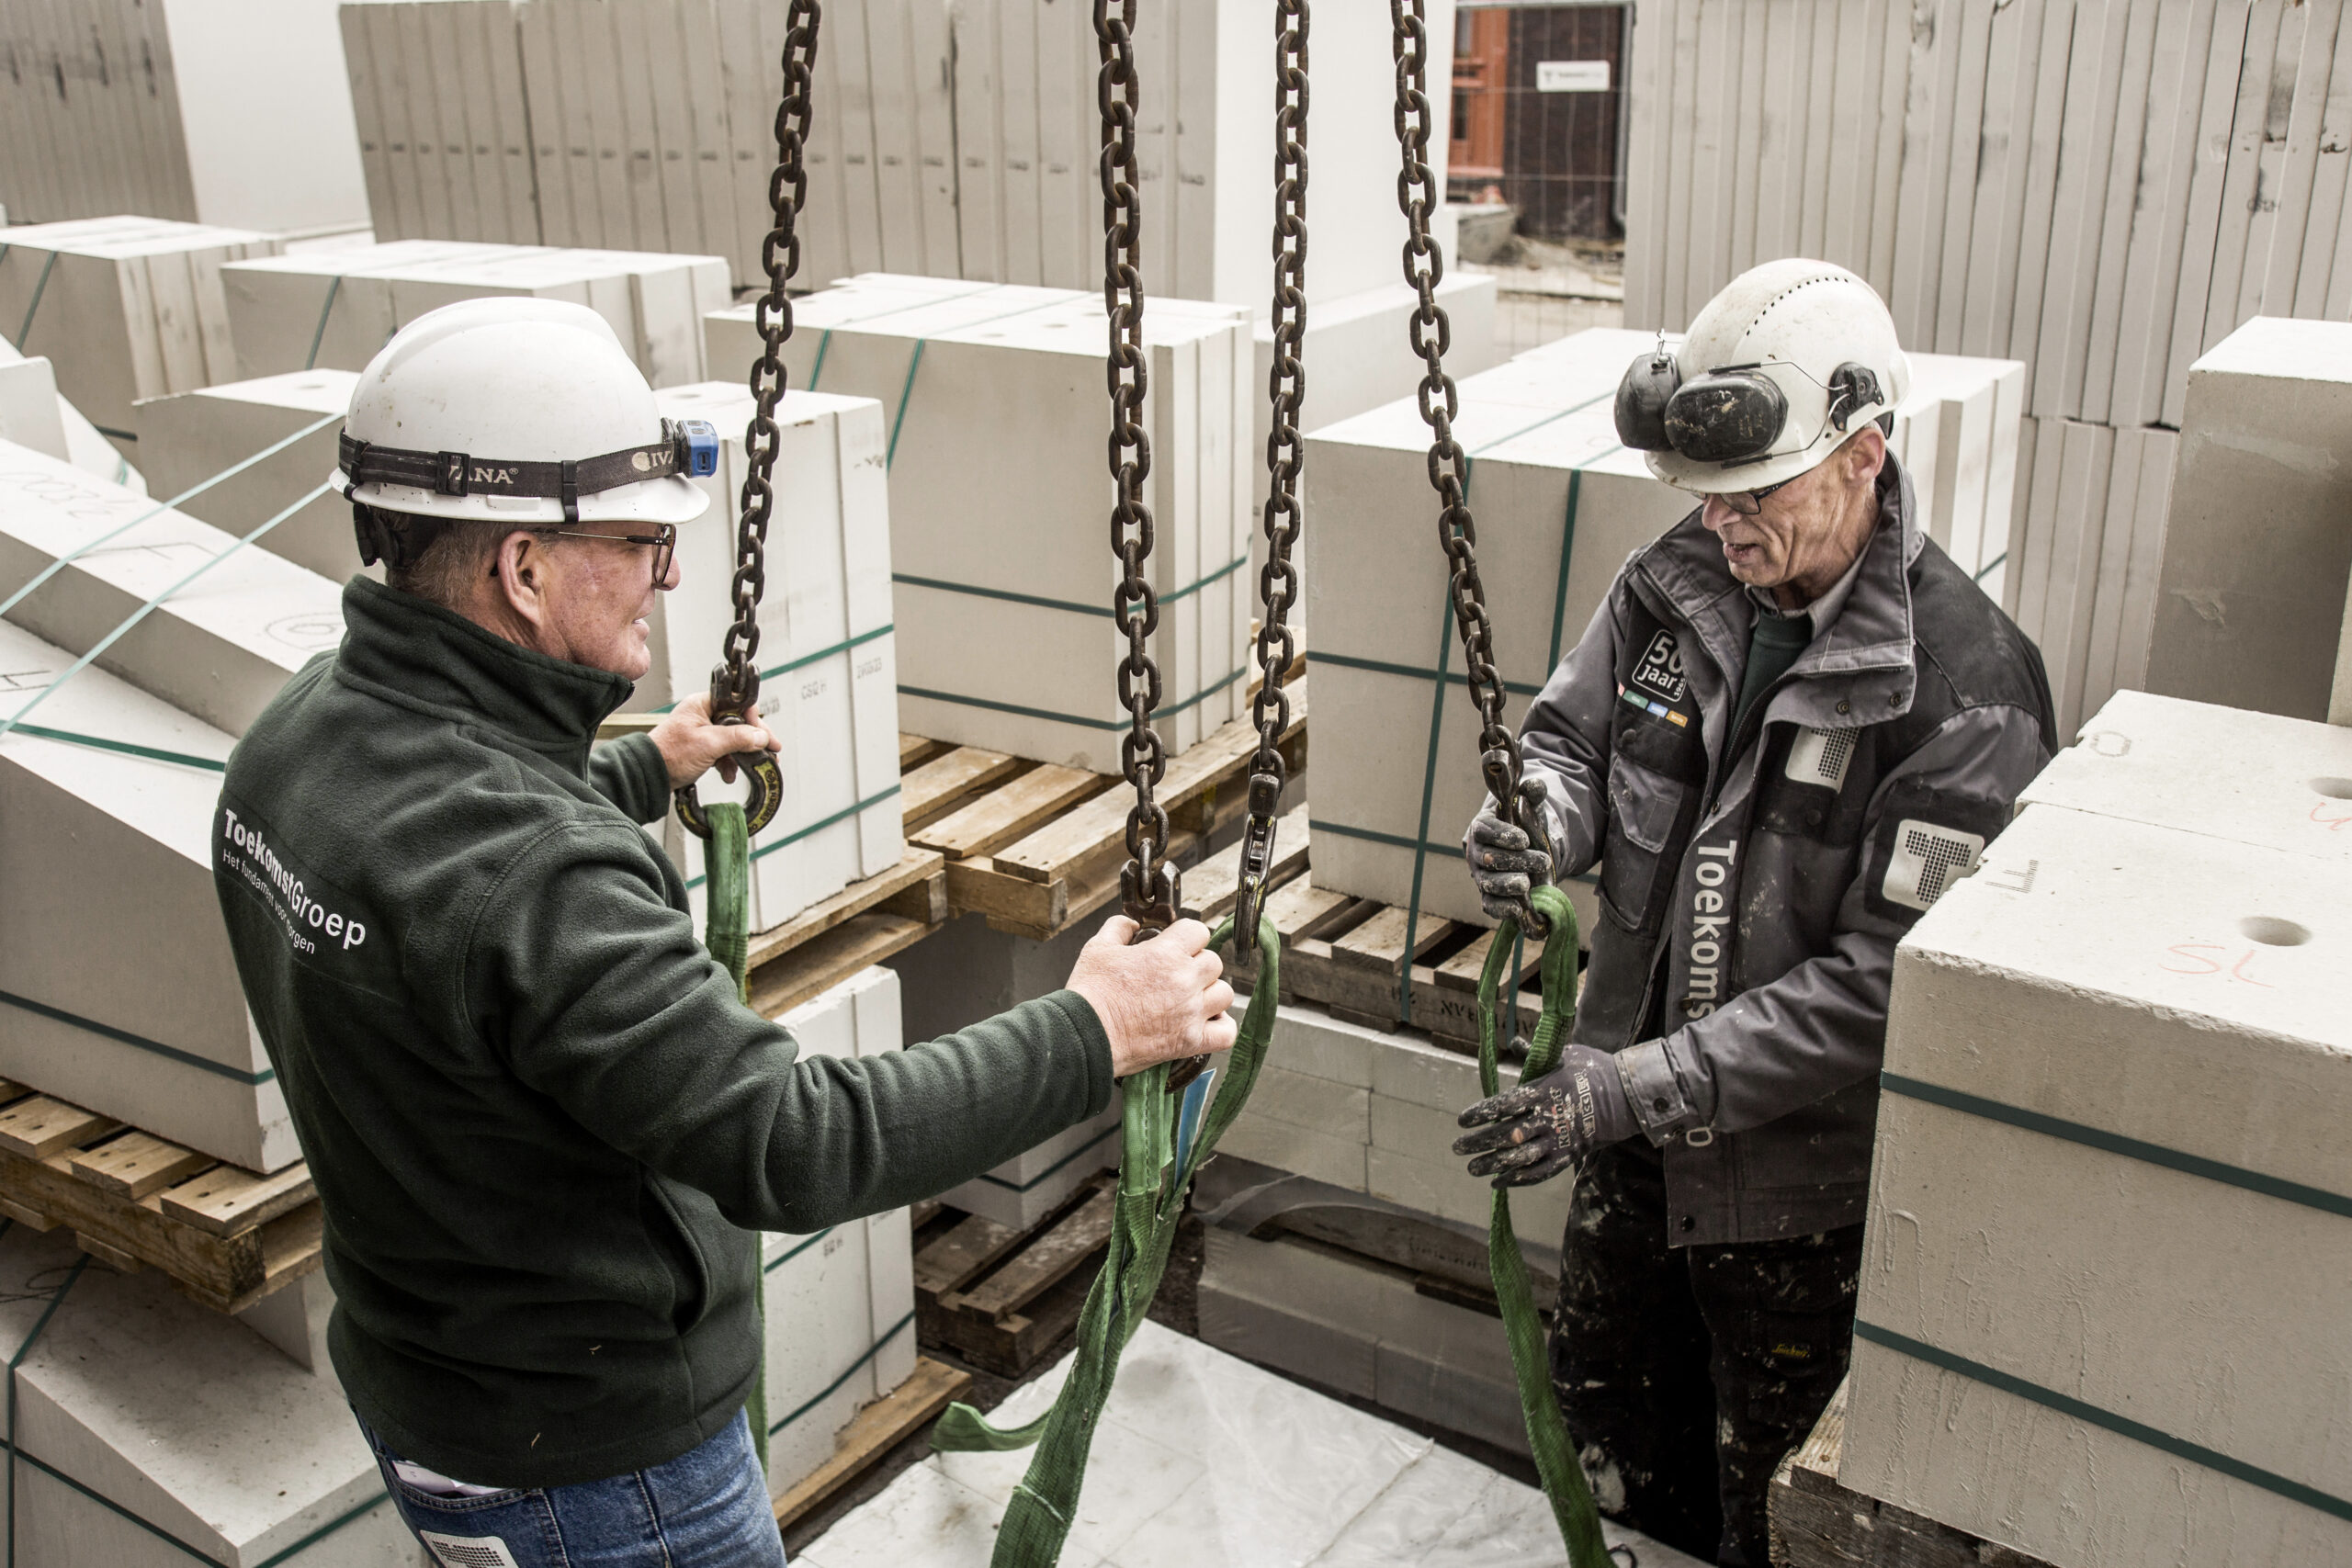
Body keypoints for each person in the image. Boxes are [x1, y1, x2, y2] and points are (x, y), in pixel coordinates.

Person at [211, 299, 1236, 1568]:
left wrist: (647, 766)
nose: (672, 573)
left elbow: (456, 897)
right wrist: (1097, 1030)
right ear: (525, 569)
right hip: (603, 1476)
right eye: (642, 540)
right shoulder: (538, 875)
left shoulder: (295, 744)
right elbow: (795, 1141)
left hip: (434, 1394)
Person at [1452, 259, 2055, 1567]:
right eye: (1703, 493)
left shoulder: (1965, 695)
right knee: (1609, 1462)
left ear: (1862, 455)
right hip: (1629, 1144)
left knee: (1759, 1524)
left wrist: (1628, 1091)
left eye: (1753, 493)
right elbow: (1569, 741)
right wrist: (1541, 821)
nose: (1719, 523)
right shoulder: (1673, 588)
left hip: (1791, 1205)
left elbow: (1885, 983)